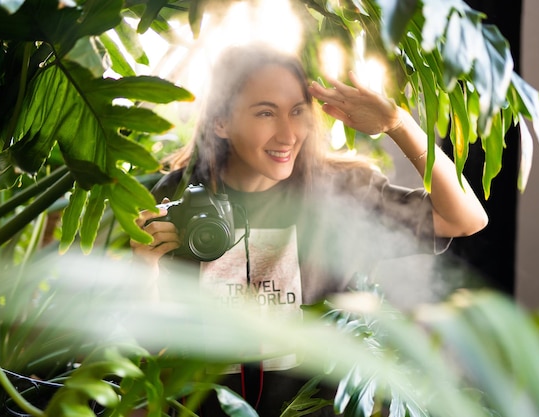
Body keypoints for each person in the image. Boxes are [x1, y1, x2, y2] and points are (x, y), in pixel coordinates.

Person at [130, 42, 488, 416]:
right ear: (221, 122)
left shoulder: (342, 192)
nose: (288, 134)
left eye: (297, 111)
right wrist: (146, 271)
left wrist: (397, 124)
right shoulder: (179, 196)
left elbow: (464, 219)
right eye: (266, 113)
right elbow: (151, 352)